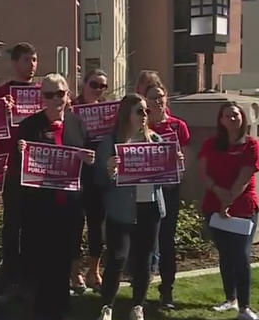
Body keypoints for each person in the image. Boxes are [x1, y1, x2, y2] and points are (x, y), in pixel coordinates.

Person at [17, 73, 94, 320]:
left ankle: (61, 306)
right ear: (42, 98)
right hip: (41, 209)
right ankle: (43, 309)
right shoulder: (29, 126)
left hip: (70, 207)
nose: (55, 99)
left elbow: (87, 156)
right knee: (43, 262)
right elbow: (19, 169)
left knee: (65, 259)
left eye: (60, 93)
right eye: (49, 94)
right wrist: (21, 153)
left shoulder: (78, 124)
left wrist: (89, 159)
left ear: (68, 95)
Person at [95, 94, 166, 320]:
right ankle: (107, 306)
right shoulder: (110, 142)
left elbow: (168, 179)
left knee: (144, 260)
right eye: (139, 111)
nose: (145, 115)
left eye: (146, 111)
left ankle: (138, 306)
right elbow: (98, 181)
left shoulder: (155, 140)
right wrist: (108, 170)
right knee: (117, 259)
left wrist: (176, 165)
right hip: (121, 209)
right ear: (127, 114)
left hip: (150, 207)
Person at [197, 102, 259, 320]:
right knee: (225, 255)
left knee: (241, 256)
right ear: (220, 120)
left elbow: (244, 177)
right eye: (227, 115)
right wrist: (217, 193)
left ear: (242, 118)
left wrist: (228, 201)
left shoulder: (251, 145)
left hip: (242, 207)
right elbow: (203, 173)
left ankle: (245, 307)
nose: (232, 119)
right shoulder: (210, 144)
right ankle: (229, 299)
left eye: (236, 115)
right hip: (213, 207)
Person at [0, 42, 38, 292]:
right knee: (12, 223)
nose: (32, 65)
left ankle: (31, 272)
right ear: (15, 63)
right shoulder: (2, 92)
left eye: (35, 60)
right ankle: (9, 273)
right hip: (12, 167)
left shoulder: (43, 92)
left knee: (33, 223)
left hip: (38, 168)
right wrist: (3, 114)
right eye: (27, 60)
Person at [144, 82, 189, 309]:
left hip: (169, 190)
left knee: (166, 241)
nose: (158, 101)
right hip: (145, 192)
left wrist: (180, 164)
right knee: (143, 240)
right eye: (152, 98)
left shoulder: (178, 126)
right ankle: (139, 290)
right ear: (146, 102)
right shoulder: (141, 127)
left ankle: (167, 291)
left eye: (161, 96)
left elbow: (184, 161)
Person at [69, 68, 109, 293]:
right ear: (84, 84)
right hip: (75, 174)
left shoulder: (108, 111)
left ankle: (94, 271)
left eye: (103, 86)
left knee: (97, 225)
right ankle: (74, 272)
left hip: (98, 176)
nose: (98, 90)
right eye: (94, 84)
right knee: (75, 224)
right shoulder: (71, 108)